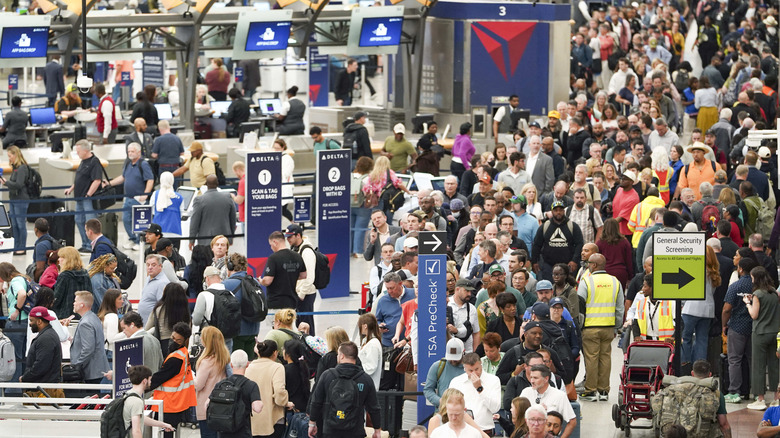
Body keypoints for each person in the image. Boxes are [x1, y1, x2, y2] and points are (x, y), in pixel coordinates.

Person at [308, 341, 383, 438]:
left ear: (342, 356)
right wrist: (377, 429)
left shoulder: (327, 375)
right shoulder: (365, 379)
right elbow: (374, 408)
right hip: (355, 431)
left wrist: (312, 423)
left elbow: (316, 402)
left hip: (330, 430)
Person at [577, 253, 624, 401]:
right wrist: (616, 326)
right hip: (608, 327)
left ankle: (590, 391)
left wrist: (580, 326)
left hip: (590, 327)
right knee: (605, 358)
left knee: (591, 359)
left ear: (594, 265)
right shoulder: (615, 282)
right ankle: (604, 391)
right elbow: (620, 308)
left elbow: (580, 306)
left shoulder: (587, 281)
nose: (587, 266)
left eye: (589, 263)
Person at [149, 322, 197, 438]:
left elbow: (160, 377)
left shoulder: (175, 359)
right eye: (172, 338)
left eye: (178, 340)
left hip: (169, 404)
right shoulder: (183, 352)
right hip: (178, 402)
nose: (174, 341)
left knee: (167, 433)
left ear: (185, 340)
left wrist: (143, 384)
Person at [103, 142, 154, 250]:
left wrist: (145, 194)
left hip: (139, 199)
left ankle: (140, 241)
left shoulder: (143, 164)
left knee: (140, 222)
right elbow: (123, 177)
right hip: (128, 198)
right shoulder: (127, 163)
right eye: (129, 151)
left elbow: (150, 179)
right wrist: (109, 183)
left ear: (139, 152)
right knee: (126, 220)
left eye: (132, 151)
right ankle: (132, 239)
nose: (130, 153)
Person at [722, 257, 759, 403]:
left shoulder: (735, 287)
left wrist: (724, 325)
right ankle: (757, 392)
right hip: (754, 327)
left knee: (734, 360)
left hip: (737, 327)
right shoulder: (757, 287)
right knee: (754, 361)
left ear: (741, 269)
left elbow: (726, 309)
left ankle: (734, 392)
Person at [744, 267, 780, 410]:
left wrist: (747, 303)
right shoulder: (774, 293)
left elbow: (754, 314)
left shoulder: (757, 293)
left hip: (760, 332)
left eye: (752, 278)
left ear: (756, 278)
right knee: (774, 366)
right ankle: (776, 398)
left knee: (758, 366)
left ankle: (760, 399)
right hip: (775, 332)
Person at [260, 231, 306, 335]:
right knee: (290, 330)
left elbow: (268, 280)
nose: (271, 248)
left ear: (275, 242)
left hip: (276, 303)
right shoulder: (297, 256)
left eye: (271, 245)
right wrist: (290, 275)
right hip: (291, 302)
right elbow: (304, 275)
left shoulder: (273, 258)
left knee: (277, 333)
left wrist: (261, 281)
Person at [681, 246, 719, 366]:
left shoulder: (695, 269)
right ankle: (700, 368)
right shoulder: (714, 273)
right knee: (702, 340)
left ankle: (685, 365)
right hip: (707, 310)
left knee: (685, 338)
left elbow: (686, 290)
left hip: (691, 308)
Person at [246, 339, 291, 438]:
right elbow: (279, 390)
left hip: (252, 418)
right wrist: (285, 402)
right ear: (275, 353)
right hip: (272, 418)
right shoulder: (277, 367)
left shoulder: (249, 367)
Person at [64, 140, 103, 252]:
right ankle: (85, 244)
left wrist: (88, 194)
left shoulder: (94, 162)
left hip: (88, 199)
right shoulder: (82, 162)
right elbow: (80, 178)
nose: (77, 153)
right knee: (79, 220)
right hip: (79, 198)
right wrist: (72, 188)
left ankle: (93, 245)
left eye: (78, 151)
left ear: (86, 150)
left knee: (90, 223)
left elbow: (97, 180)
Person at [519, 364, 577, 438]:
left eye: (535, 378)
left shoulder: (559, 395)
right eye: (531, 377)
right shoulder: (526, 392)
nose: (532, 381)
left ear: (546, 379)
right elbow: (518, 417)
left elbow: (572, 421)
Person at [532, 200, 584, 282]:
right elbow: (536, 245)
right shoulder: (545, 226)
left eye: (560, 210)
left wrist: (574, 260)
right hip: (548, 266)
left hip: (568, 266)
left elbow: (579, 244)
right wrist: (534, 261)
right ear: (552, 212)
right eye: (556, 210)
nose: (558, 212)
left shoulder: (573, 226)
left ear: (564, 211)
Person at [449, 352, 501, 433]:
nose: (474, 373)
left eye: (477, 369)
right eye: (470, 370)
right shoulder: (456, 382)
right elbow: (450, 407)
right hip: (462, 430)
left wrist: (480, 388)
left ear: (481, 364)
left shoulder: (493, 380)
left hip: (485, 430)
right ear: (464, 368)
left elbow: (495, 408)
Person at [194, 326, 231, 437]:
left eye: (203, 337)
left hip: (206, 407)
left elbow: (198, 385)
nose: (200, 339)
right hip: (221, 405)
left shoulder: (206, 362)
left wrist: (191, 377)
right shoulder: (224, 358)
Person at [122, 365, 176, 437]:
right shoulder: (136, 401)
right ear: (144, 381)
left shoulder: (127, 395)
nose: (151, 382)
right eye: (150, 379)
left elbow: (141, 419)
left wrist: (163, 424)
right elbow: (136, 430)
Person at [284, 224, 318, 333]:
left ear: (298, 235)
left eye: (290, 236)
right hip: (298, 293)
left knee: (306, 325)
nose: (288, 239)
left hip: (306, 294)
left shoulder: (307, 251)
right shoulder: (295, 249)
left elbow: (310, 276)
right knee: (299, 324)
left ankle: (310, 348)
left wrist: (301, 295)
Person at [70, 291, 111, 383]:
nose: (73, 303)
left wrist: (77, 365)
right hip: (96, 369)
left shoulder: (85, 323)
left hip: (90, 371)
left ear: (82, 305)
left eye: (75, 301)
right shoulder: (93, 318)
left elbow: (88, 348)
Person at [21, 307, 63, 393]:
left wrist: (25, 378)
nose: (30, 323)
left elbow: (40, 366)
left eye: (31, 320)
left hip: (43, 391)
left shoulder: (46, 338)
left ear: (39, 321)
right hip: (43, 388)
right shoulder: (47, 335)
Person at [189, 174, 236, 248]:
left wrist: (191, 240)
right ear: (217, 183)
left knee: (208, 259)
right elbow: (233, 219)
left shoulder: (199, 200)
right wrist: (231, 236)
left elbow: (195, 221)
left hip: (206, 240)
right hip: (224, 239)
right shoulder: (228, 197)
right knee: (222, 259)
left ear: (206, 184)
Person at [0, 262, 27, 383]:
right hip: (24, 321)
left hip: (17, 322)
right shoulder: (23, 278)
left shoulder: (16, 281)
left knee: (13, 358)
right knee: (20, 358)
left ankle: (13, 389)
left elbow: (22, 294)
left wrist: (16, 310)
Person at [148, 282, 192, 356]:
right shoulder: (185, 310)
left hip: (163, 345)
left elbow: (148, 327)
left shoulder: (159, 309)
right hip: (181, 344)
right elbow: (188, 328)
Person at [424, 337, 466, 408]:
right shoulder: (437, 366)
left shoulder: (470, 368)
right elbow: (428, 389)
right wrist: (440, 401)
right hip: (442, 412)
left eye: (456, 359)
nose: (453, 361)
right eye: (450, 358)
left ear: (463, 352)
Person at [376, 271, 416, 347]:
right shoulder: (382, 301)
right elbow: (377, 319)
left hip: (410, 343)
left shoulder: (414, 295)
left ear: (400, 284)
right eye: (387, 288)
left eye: (392, 288)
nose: (389, 291)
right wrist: (379, 325)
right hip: (389, 344)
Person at [52, 246, 93, 318]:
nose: (59, 259)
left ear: (67, 259)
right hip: (83, 314)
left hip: (65, 316)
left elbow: (57, 298)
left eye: (62, 257)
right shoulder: (85, 274)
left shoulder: (64, 276)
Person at [595, 218, 634, 289]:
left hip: (605, 272)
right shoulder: (625, 242)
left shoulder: (599, 243)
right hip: (621, 272)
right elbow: (629, 261)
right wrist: (630, 276)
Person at [138, 254, 171, 323]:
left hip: (153, 325)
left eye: (153, 265)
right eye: (148, 265)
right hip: (144, 322)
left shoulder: (162, 283)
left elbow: (162, 308)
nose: (150, 267)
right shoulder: (148, 278)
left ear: (160, 266)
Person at [151, 121, 185, 185]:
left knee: (164, 187)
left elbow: (154, 155)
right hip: (175, 168)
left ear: (159, 129)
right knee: (174, 187)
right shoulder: (177, 138)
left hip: (163, 167)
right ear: (169, 127)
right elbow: (182, 153)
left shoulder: (158, 140)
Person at [356, 312, 384, 390]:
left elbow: (371, 368)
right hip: (363, 385)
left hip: (368, 387)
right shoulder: (367, 341)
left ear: (365, 326)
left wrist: (355, 369)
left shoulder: (373, 344)